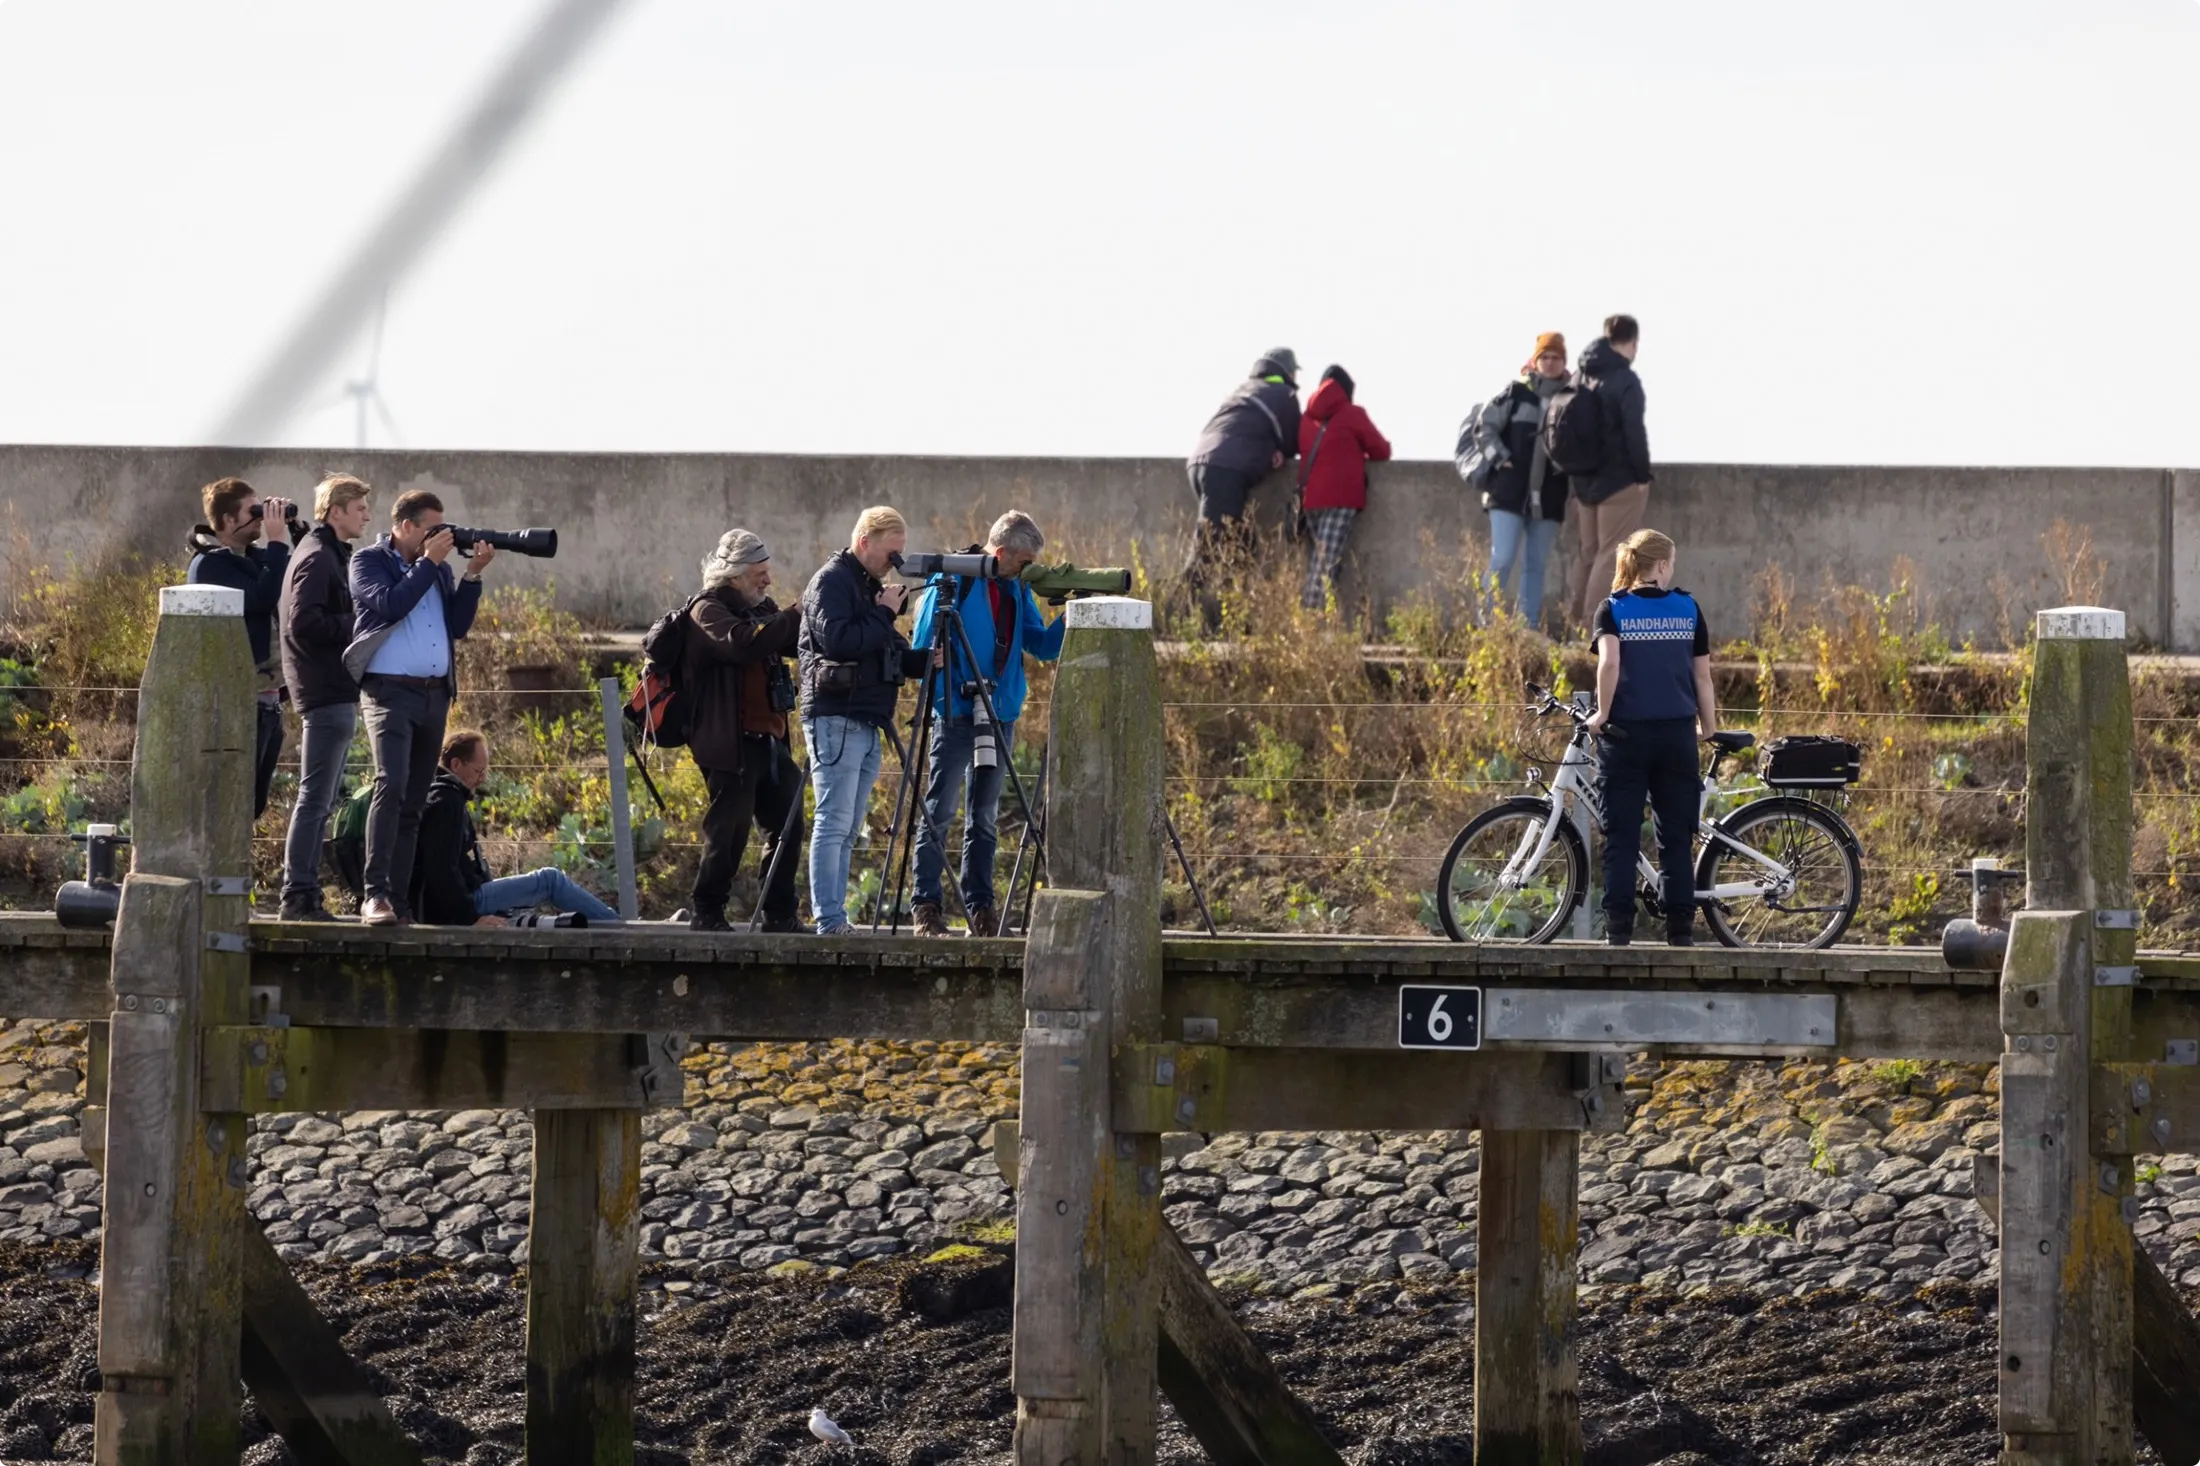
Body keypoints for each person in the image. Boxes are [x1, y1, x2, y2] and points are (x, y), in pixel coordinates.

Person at [907, 511, 1068, 937]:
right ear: (1001, 553)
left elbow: (1042, 646)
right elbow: (922, 647)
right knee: (939, 811)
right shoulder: (954, 580)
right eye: (1025, 560)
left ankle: (980, 909)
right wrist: (947, 682)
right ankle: (926, 908)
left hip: (999, 714)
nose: (1029, 569)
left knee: (985, 815)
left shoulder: (1016, 589)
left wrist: (1073, 615)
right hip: (957, 713)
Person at [343, 490, 496, 927]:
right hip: (389, 693)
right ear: (404, 526)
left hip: (434, 696)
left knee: (413, 801)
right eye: (432, 529)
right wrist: (427, 563)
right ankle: (375, 896)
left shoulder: (440, 570)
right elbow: (390, 603)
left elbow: (457, 626)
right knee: (390, 786)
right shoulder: (369, 562)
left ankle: (400, 901)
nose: (441, 537)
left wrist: (471, 576)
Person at [798, 506, 932, 935]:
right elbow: (840, 640)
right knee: (833, 821)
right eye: (891, 553)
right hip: (836, 716)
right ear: (864, 543)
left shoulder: (865, 585)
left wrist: (928, 660)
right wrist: (885, 612)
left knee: (850, 825)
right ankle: (830, 919)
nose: (895, 564)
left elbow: (886, 649)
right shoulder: (831, 582)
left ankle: (834, 917)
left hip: (866, 717)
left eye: (901, 555)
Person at [1583, 530, 1717, 948]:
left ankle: (1618, 929)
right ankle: (1680, 930)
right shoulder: (1689, 608)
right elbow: (1702, 677)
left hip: (1625, 736)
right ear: (1661, 567)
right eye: (1671, 563)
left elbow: (1609, 665)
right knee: (1675, 836)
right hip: (1677, 735)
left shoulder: (1612, 609)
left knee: (1621, 836)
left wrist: (1602, 714)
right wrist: (1708, 727)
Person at [681, 530, 806, 933]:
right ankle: (707, 911)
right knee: (728, 831)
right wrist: (793, 615)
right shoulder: (708, 610)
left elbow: (787, 640)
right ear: (733, 575)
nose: (767, 580)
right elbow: (741, 644)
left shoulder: (760, 608)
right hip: (730, 742)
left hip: (770, 739)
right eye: (759, 574)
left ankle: (780, 913)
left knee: (789, 825)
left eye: (767, 572)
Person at [276, 474, 373, 920]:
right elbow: (304, 623)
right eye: (359, 508)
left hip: (329, 691)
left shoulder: (323, 553)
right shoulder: (318, 558)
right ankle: (298, 895)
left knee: (319, 798)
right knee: (315, 799)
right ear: (335, 512)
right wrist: (356, 622)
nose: (366, 515)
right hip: (325, 693)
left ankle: (305, 893)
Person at [411, 730, 619, 926]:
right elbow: (441, 869)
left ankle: (615, 924)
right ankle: (620, 928)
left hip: (465, 897)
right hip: (464, 904)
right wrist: (471, 918)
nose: (482, 779)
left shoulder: (442, 796)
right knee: (550, 880)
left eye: (485, 771)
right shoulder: (446, 802)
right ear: (456, 765)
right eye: (478, 771)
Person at [185, 477, 303, 817]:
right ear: (227, 521)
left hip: (267, 703)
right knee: (231, 803)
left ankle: (234, 870)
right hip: (236, 703)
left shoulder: (258, 557)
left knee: (252, 805)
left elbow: (298, 574)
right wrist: (278, 542)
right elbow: (259, 596)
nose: (261, 517)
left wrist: (294, 532)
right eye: (253, 511)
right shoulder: (210, 564)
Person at [1182, 347, 1301, 629]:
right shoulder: (1284, 395)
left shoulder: (1244, 390)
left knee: (1242, 544)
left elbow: (1241, 429)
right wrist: (1278, 450)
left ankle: (1233, 619)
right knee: (1209, 549)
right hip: (1226, 470)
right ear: (1287, 372)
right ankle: (1178, 615)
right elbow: (1294, 440)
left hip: (1200, 464)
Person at [1565, 314, 1654, 630]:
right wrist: (1642, 476)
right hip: (1618, 482)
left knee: (1587, 552)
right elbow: (1634, 433)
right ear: (1632, 343)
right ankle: (1593, 622)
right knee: (1612, 552)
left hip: (1584, 481)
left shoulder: (1580, 374)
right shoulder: (1625, 380)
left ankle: (1574, 619)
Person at [1481, 332, 1572, 628]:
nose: (1549, 362)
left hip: (1549, 497)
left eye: (1555, 357)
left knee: (1535, 565)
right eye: (1544, 357)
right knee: (1503, 557)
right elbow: (1485, 428)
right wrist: (1501, 458)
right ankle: (1487, 625)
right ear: (1535, 360)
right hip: (1508, 493)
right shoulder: (1516, 392)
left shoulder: (1572, 399)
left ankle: (1528, 627)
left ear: (1564, 361)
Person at [1294, 365, 1392, 611]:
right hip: (1340, 499)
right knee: (1324, 564)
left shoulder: (1307, 418)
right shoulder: (1353, 414)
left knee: (1324, 561)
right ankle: (1309, 624)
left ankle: (1324, 622)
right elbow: (1381, 450)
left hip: (1310, 500)